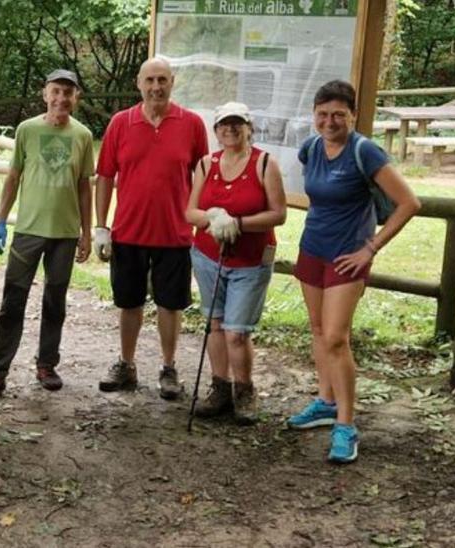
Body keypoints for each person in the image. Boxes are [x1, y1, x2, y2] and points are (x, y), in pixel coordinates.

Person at [283, 81, 420, 464]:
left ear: (352, 115)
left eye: (338, 115)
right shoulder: (311, 148)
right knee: (316, 330)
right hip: (312, 250)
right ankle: (326, 402)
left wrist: (370, 248)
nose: (329, 122)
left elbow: (409, 202)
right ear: (314, 115)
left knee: (336, 339)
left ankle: (346, 425)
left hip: (348, 258)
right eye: (323, 114)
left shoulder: (364, 151)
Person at [94, 58, 209, 399]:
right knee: (128, 303)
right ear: (138, 83)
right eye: (150, 80)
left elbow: (203, 176)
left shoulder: (191, 124)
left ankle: (169, 367)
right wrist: (102, 226)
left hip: (174, 233)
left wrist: (201, 218)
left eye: (162, 80)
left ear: (173, 82)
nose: (156, 87)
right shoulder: (120, 123)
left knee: (169, 305)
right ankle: (126, 365)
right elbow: (104, 176)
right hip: (128, 232)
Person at [0, 70, 95, 400]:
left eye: (68, 93)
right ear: (45, 94)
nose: (61, 99)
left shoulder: (83, 136)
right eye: (56, 91)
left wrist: (87, 232)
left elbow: (85, 187)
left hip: (64, 233)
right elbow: (13, 177)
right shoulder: (27, 130)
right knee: (13, 301)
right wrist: (1, 221)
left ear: (76, 98)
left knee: (55, 302)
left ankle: (47, 364)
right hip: (28, 230)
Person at [185, 102, 286, 425]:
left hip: (250, 260)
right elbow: (190, 212)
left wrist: (238, 223)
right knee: (215, 323)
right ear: (216, 131)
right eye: (224, 124)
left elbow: (278, 214)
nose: (230, 129)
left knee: (237, 332)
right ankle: (220, 388)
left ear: (248, 128)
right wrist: (213, 217)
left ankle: (244, 390)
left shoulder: (264, 164)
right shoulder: (205, 164)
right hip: (207, 256)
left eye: (237, 124)